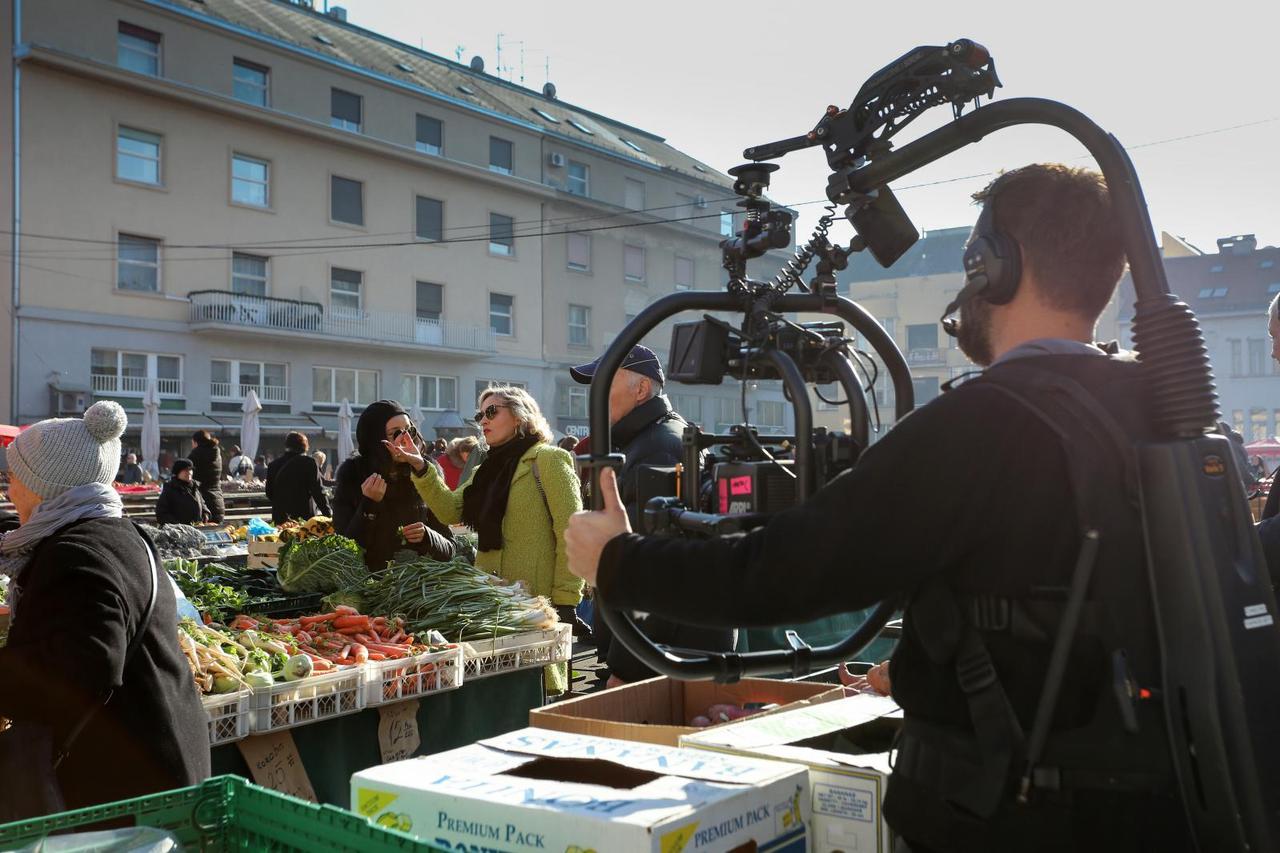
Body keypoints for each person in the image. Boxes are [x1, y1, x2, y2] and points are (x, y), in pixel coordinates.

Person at [566, 164, 1194, 852]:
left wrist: (619, 561)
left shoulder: (980, 426)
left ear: (993, 266)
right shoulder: (1163, 411)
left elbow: (781, 570)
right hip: (1149, 804)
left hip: (1005, 817)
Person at [0, 401, 209, 817]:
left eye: (14, 478)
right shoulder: (116, 532)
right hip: (159, 760)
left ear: (45, 485)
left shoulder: (77, 553)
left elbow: (84, 667)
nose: (9, 491)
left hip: (130, 789)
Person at [385, 385, 584, 694]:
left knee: (534, 690)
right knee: (499, 691)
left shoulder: (548, 460)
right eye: (480, 414)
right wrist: (420, 466)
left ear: (519, 417)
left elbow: (572, 532)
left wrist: (567, 597)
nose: (483, 420)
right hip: (491, 598)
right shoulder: (484, 470)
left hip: (536, 602)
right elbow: (451, 511)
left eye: (492, 411)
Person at [568, 344, 735, 687]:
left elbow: (661, 572)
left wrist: (626, 668)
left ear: (641, 389)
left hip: (669, 658)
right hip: (663, 655)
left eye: (604, 383)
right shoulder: (647, 440)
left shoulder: (660, 445)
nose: (594, 397)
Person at [332, 401, 455, 572]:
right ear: (376, 441)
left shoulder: (425, 473)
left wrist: (429, 537)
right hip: (369, 587)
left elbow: (450, 548)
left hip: (418, 585)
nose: (406, 439)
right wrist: (369, 505)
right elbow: (344, 552)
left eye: (409, 430)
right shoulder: (353, 475)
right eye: (395, 433)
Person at [264, 432, 330, 523]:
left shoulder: (273, 465)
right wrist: (328, 515)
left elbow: (269, 492)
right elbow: (318, 491)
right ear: (305, 446)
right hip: (304, 517)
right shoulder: (309, 463)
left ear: (287, 445)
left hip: (281, 517)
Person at [154, 459, 208, 525]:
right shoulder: (170, 489)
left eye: (190, 470)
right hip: (179, 532)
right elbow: (161, 513)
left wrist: (206, 514)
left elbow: (202, 504)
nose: (189, 472)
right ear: (178, 472)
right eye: (186, 470)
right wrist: (177, 525)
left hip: (198, 529)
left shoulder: (195, 487)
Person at [187, 430, 224, 524]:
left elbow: (188, 477)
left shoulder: (196, 455)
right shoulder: (216, 453)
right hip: (218, 500)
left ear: (196, 442)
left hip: (202, 504)